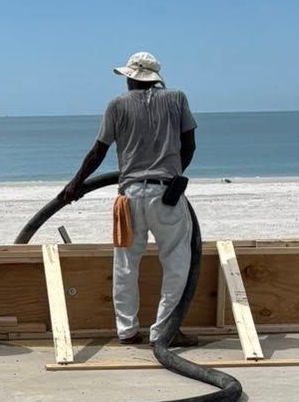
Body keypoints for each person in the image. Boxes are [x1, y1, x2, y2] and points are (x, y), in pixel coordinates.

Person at [58, 50, 198, 345]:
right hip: (167, 196)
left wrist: (75, 184)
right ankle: (164, 331)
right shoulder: (178, 99)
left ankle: (127, 330)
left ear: (132, 78)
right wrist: (173, 176)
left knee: (125, 263)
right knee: (176, 262)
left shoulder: (116, 106)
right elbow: (189, 145)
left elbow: (98, 151)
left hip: (130, 196)